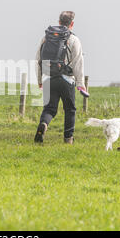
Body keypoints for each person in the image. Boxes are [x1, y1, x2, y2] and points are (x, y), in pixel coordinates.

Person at [34, 11, 88, 144]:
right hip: (66, 79)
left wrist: (40, 80)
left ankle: (44, 125)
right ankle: (68, 139)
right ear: (72, 24)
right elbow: (78, 63)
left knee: (49, 109)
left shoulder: (46, 38)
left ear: (59, 22)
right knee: (70, 109)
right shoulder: (74, 40)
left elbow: (38, 60)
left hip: (49, 78)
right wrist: (80, 83)